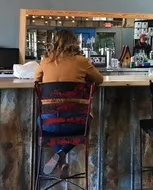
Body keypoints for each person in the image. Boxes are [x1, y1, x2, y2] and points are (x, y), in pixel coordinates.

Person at [34, 29, 103, 178]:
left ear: (55, 42)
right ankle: (62, 153)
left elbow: (36, 78)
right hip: (77, 122)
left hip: (48, 123)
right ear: (74, 42)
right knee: (87, 120)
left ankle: (60, 155)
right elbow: (100, 80)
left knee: (39, 120)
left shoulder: (46, 60)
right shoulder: (81, 61)